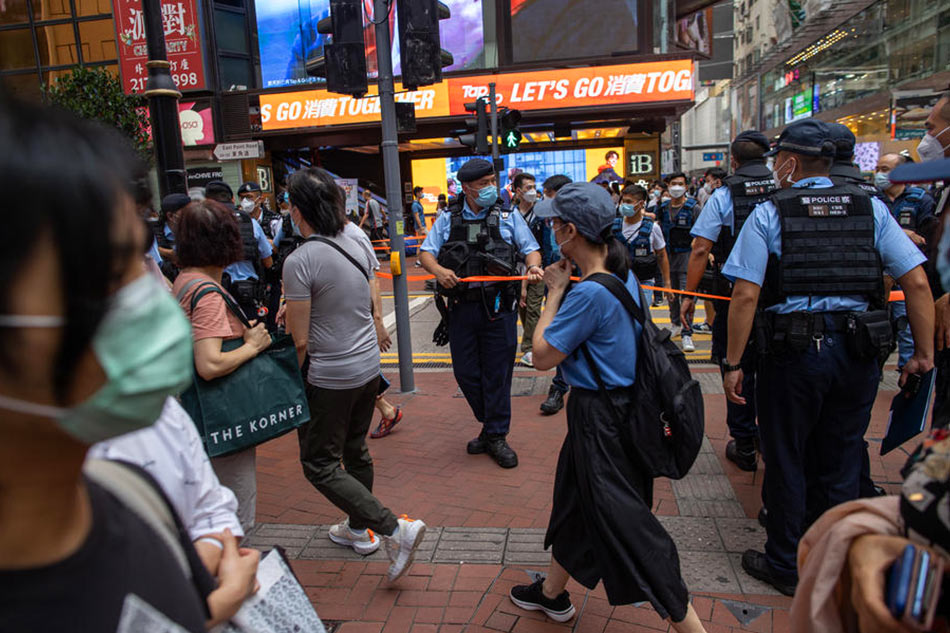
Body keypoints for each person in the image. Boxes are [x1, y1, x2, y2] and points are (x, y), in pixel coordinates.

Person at [0, 96, 257, 631]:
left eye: (140, 262)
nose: (149, 301)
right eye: (107, 275)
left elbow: (212, 508)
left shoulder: (127, 493)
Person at [721, 118, 935, 596]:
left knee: (786, 456)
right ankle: (834, 560)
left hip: (793, 355)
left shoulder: (771, 211)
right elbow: (915, 281)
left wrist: (733, 364)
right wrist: (921, 354)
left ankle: (785, 565)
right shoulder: (872, 208)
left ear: (791, 162)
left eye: (778, 159)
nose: (775, 168)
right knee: (840, 457)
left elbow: (745, 296)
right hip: (859, 353)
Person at [509, 182, 707, 633]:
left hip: (602, 422)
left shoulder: (589, 293)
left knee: (631, 530)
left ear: (571, 230)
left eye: (554, 223)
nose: (549, 228)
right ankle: (552, 595)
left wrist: (554, 293)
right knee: (576, 504)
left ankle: (693, 627)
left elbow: (541, 357)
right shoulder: (624, 276)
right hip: (619, 414)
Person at [283, 167, 426, 581]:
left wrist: (291, 383)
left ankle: (393, 528)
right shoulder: (357, 238)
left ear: (298, 211)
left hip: (330, 376)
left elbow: (300, 342)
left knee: (319, 463)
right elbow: (365, 293)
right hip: (367, 367)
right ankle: (357, 529)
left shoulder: (301, 260)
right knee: (355, 449)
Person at [419, 158, 543, 469]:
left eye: (492, 181)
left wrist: (534, 266)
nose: (491, 188)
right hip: (462, 308)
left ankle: (497, 434)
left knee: (498, 374)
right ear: (467, 188)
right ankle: (491, 426)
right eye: (484, 183)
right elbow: (425, 254)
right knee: (466, 372)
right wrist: (439, 271)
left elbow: (531, 248)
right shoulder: (448, 218)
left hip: (499, 308)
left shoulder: (507, 215)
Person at [172, 200, 272, 532]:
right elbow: (210, 364)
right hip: (222, 419)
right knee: (234, 516)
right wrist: (251, 347)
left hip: (193, 414)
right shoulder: (208, 294)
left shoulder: (185, 280)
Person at [682, 130, 776, 472]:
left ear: (733, 161)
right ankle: (769, 437)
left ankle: (744, 442)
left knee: (735, 366)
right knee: (775, 369)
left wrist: (690, 296)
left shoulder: (725, 196)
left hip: (731, 294)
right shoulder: (785, 190)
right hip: (778, 296)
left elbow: (701, 248)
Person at [875, 152, 938, 370]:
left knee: (908, 334)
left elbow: (928, 240)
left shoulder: (921, 200)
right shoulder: (871, 199)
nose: (879, 174)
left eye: (885, 169)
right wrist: (903, 234)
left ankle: (909, 378)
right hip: (877, 283)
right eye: (878, 169)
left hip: (906, 282)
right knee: (877, 335)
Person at [206, 180, 275, 326]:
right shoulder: (251, 223)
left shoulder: (203, 225)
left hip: (216, 294)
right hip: (247, 294)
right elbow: (268, 262)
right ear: (232, 199)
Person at [537, 175, 573, 416]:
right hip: (556, 281)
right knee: (561, 333)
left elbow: (540, 357)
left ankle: (563, 385)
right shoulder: (549, 222)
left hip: (572, 284)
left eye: (549, 194)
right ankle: (561, 386)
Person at [657, 172, 700, 352]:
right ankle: (675, 323)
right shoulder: (662, 208)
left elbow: (701, 233)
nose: (676, 187)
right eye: (673, 183)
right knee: (671, 295)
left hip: (687, 258)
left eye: (680, 184)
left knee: (687, 295)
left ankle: (687, 333)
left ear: (686, 186)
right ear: (667, 186)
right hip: (668, 257)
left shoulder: (693, 208)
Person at [613, 184, 672, 306]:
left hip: (644, 282)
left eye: (629, 202)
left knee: (642, 318)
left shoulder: (653, 228)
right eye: (623, 201)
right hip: (618, 281)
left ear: (640, 204)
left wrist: (667, 283)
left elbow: (662, 255)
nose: (624, 205)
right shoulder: (613, 227)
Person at [511, 172, 543, 368]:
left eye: (534, 187)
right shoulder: (510, 215)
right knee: (522, 307)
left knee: (533, 307)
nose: (532, 191)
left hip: (537, 267)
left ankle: (531, 348)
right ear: (518, 191)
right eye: (528, 188)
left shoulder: (541, 214)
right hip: (515, 269)